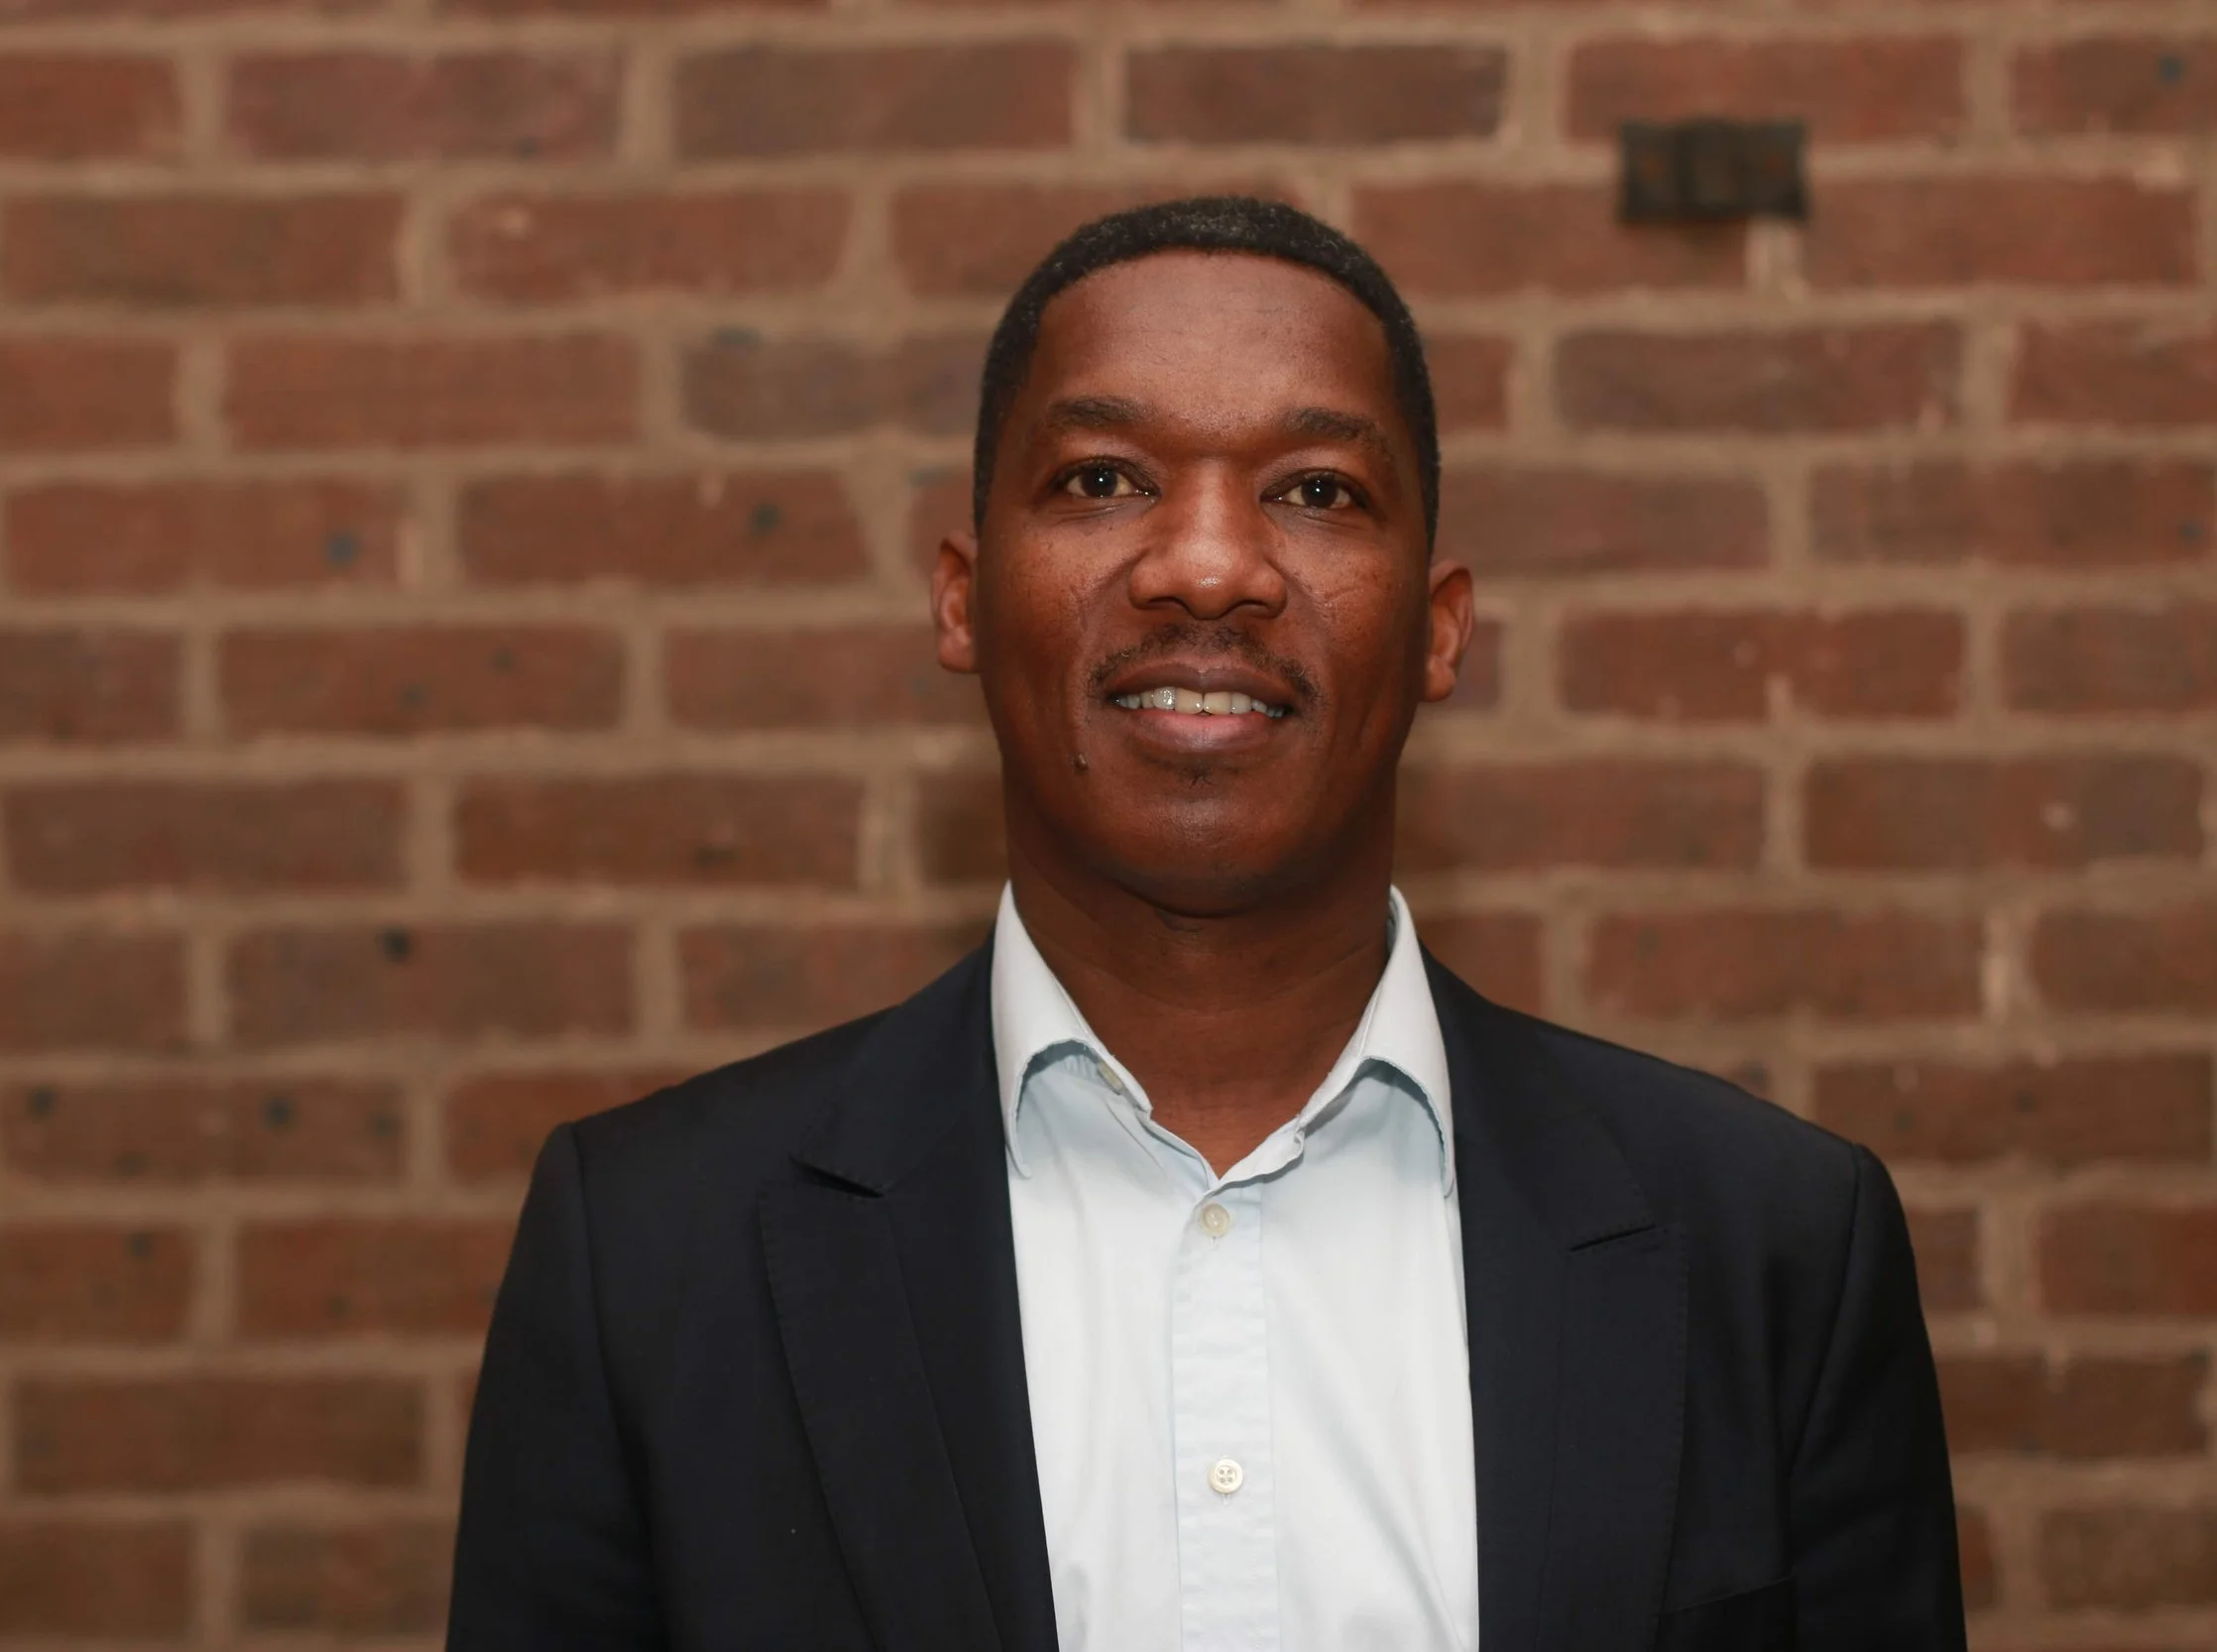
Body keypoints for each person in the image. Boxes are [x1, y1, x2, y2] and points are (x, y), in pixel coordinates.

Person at [447, 196, 1964, 1652]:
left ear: (1439, 629)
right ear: (962, 599)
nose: (1210, 567)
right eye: (1104, 478)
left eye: (1317, 491)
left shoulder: (1773, 1251)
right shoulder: (647, 1260)